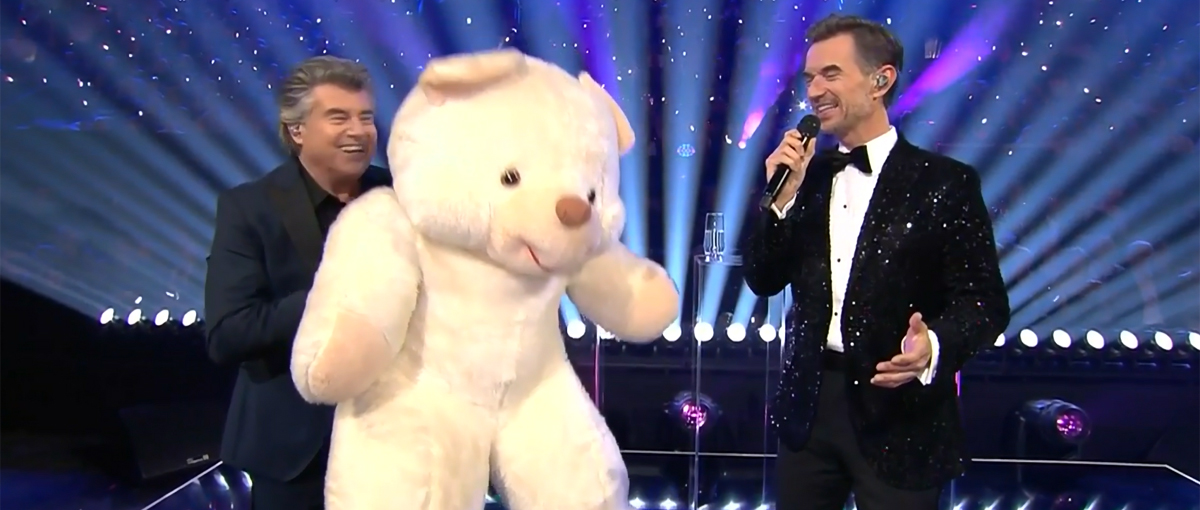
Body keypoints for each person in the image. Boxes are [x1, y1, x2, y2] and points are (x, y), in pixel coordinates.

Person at [744, 14, 1010, 510]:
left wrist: (932, 345)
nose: (815, 91)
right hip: (809, 410)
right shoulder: (807, 178)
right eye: (810, 78)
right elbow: (762, 278)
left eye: (831, 74)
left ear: (880, 80)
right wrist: (780, 201)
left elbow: (984, 302)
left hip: (901, 412)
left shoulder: (945, 183)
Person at [204, 56, 390, 510]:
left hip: (395, 439)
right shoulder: (249, 208)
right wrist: (333, 295)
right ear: (297, 130)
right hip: (295, 453)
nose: (358, 130)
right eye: (339, 117)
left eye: (366, 117)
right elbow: (228, 333)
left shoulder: (400, 195)